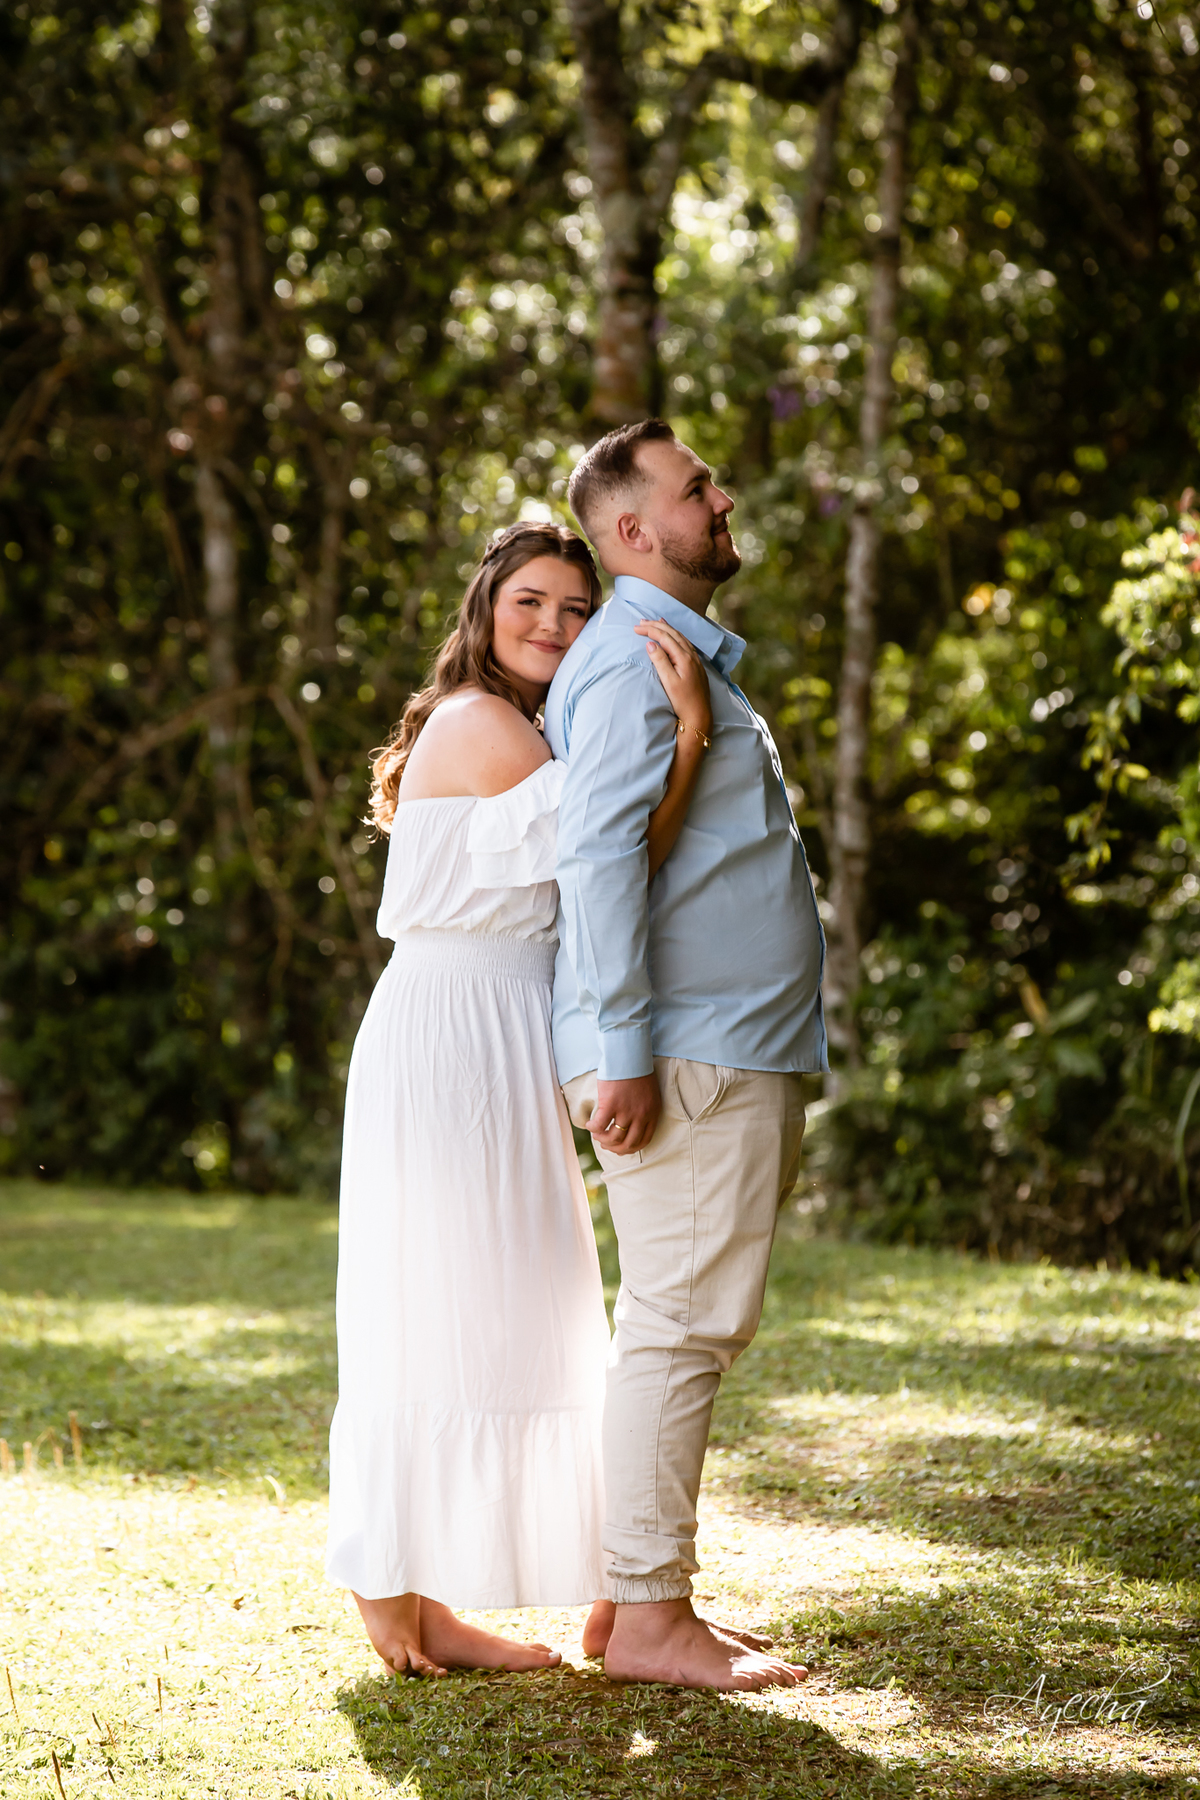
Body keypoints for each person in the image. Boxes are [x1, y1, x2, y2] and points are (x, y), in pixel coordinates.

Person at [324, 519, 714, 1677]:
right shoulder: (483, 722)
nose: (553, 624)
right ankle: (389, 1598)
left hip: (497, 1033)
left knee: (500, 1305)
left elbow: (611, 861)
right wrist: (689, 732)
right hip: (450, 1034)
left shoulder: (522, 728)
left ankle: (416, 1593)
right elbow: (618, 852)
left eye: (575, 609)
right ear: (486, 612)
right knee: (432, 1300)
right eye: (529, 603)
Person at [545, 421, 828, 1692]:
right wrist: (626, 1046)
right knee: (683, 1324)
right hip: (688, 1050)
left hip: (722, 1044)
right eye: (694, 486)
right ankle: (654, 1617)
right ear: (632, 533)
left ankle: (629, 1598)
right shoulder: (627, 667)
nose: (722, 496)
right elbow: (600, 858)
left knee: (684, 1319)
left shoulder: (679, 661)